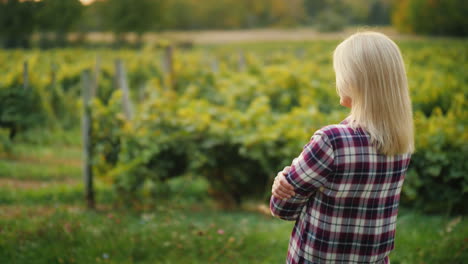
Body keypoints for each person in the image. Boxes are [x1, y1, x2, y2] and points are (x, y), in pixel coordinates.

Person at [270, 31, 414, 264]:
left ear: (353, 80)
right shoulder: (401, 142)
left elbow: (282, 208)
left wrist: (285, 178)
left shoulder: (332, 141)